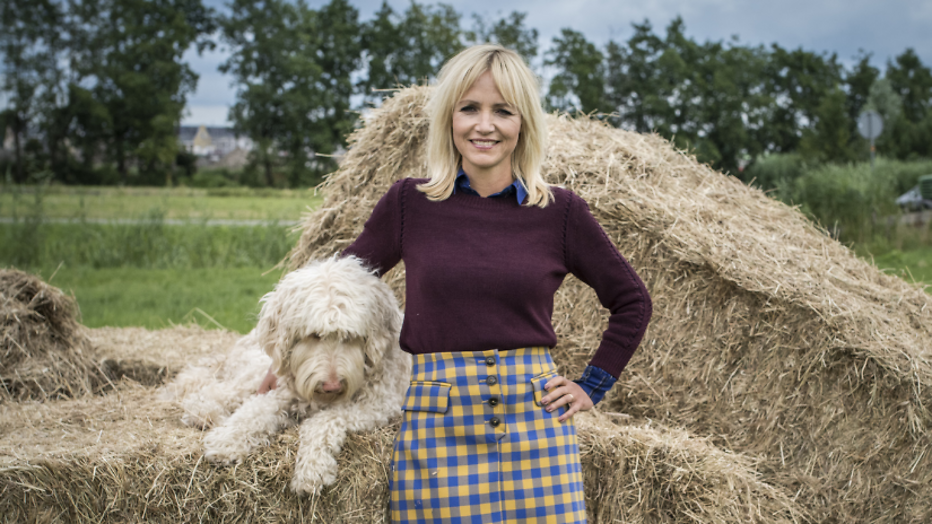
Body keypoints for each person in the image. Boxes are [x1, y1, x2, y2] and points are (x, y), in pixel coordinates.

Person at [260, 44, 651, 523]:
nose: (484, 125)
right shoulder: (409, 203)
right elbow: (333, 285)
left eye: (502, 111)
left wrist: (593, 385)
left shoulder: (560, 211)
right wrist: (281, 361)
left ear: (523, 122)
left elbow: (632, 301)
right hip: (437, 423)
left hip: (537, 426)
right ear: (449, 118)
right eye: (469, 108)